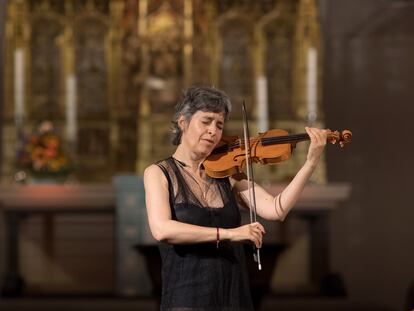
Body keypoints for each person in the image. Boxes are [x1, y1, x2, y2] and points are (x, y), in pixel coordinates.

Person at [144, 86, 327, 311]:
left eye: (219, 125)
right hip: (187, 297)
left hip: (233, 295)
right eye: (206, 121)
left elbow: (276, 209)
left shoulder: (228, 175)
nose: (213, 131)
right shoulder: (159, 173)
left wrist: (310, 163)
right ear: (183, 122)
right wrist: (231, 234)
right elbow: (162, 229)